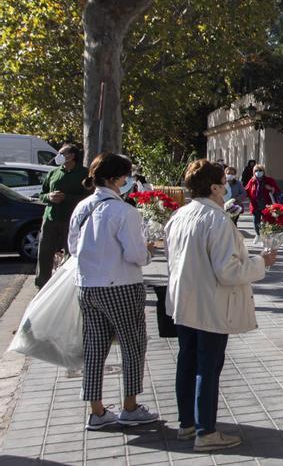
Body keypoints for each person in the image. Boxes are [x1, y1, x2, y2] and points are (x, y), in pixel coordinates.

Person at [165, 159, 277, 451]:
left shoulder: (179, 216)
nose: (227, 187)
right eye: (224, 184)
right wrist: (260, 262)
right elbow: (229, 271)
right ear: (214, 187)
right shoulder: (217, 220)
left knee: (187, 362)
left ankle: (187, 423)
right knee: (208, 366)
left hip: (184, 301)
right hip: (211, 303)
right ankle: (206, 431)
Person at [66, 152, 158, 431]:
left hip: (86, 285)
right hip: (121, 286)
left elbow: (72, 248)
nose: (128, 180)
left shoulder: (82, 207)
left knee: (94, 347)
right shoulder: (124, 211)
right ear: (115, 178)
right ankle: (130, 407)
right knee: (133, 345)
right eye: (125, 175)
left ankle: (97, 411)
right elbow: (135, 255)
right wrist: (149, 251)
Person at [35, 142, 88, 288]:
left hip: (71, 220)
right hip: (50, 218)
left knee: (71, 254)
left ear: (72, 156)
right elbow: (41, 195)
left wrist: (66, 197)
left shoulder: (84, 174)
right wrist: (49, 197)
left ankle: (69, 286)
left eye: (62, 153)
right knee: (44, 253)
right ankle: (41, 286)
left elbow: (88, 197)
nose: (58, 156)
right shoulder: (53, 173)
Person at [245, 164, 282, 234]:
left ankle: (265, 236)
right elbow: (246, 191)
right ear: (253, 172)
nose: (258, 172)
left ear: (263, 171)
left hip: (267, 204)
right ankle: (258, 234)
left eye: (260, 170)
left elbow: (277, 191)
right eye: (256, 171)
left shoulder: (269, 180)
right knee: (256, 221)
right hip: (256, 204)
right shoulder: (252, 181)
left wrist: (271, 188)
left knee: (267, 221)